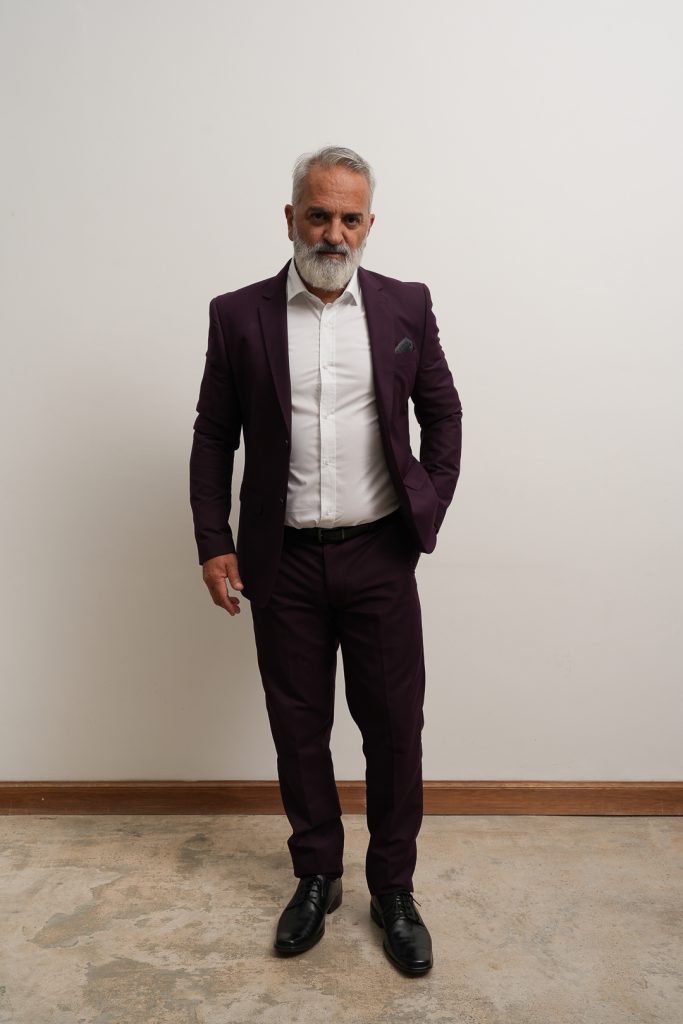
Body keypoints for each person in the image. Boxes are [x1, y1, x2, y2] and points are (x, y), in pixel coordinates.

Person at [189, 145, 462, 975]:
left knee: (394, 730)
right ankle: (317, 876)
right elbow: (214, 434)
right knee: (298, 728)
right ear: (291, 218)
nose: (332, 233)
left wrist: (426, 506)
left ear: (368, 224)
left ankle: (393, 889)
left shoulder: (405, 305)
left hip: (379, 553)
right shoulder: (238, 315)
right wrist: (213, 540)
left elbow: (442, 414)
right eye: (318, 215)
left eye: (349, 218)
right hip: (283, 562)